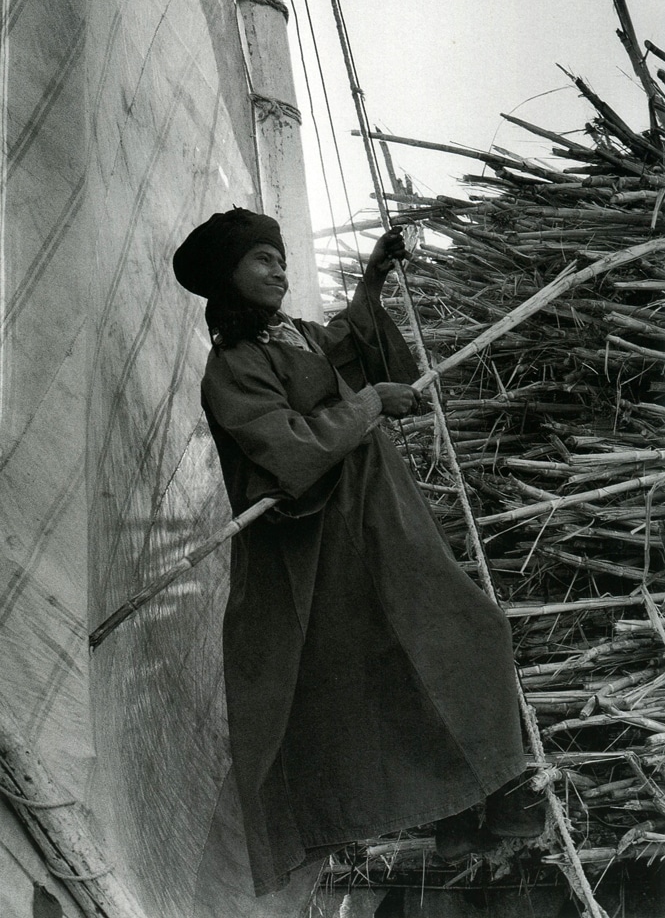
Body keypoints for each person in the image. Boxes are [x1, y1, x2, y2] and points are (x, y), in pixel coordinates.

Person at [172, 207, 542, 898]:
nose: (279, 269)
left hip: (381, 517)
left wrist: (371, 281)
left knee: (467, 632)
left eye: (280, 257)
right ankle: (462, 810)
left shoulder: (300, 337)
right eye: (262, 260)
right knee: (382, 675)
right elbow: (285, 447)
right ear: (228, 277)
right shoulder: (233, 367)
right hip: (322, 547)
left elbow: (350, 342)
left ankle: (479, 804)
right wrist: (370, 401)